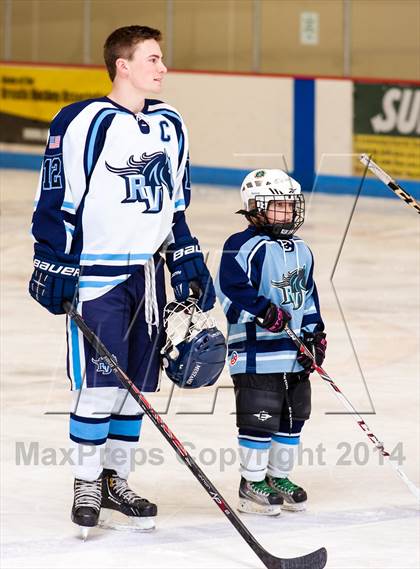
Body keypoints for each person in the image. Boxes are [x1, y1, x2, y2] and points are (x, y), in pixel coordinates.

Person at [28, 25, 215, 535]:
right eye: (152, 59)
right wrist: (54, 260)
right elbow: (58, 197)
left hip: (147, 280)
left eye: (162, 58)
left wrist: (186, 260)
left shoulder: (171, 123)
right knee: (98, 388)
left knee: (135, 389)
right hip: (98, 279)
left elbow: (175, 203)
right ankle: (86, 484)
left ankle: (116, 480)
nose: (162, 68)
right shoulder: (85, 120)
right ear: (123, 65)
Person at [215, 169, 326, 516]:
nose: (289, 211)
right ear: (255, 208)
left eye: (290, 204)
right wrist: (263, 311)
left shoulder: (303, 250)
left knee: (294, 416)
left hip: (292, 354)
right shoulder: (242, 244)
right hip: (255, 353)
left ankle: (278, 477)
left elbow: (308, 297)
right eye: (279, 204)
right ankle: (251, 482)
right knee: (258, 416)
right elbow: (231, 291)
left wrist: (315, 336)